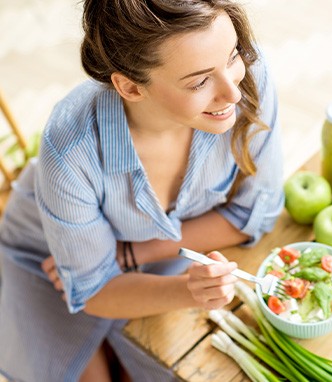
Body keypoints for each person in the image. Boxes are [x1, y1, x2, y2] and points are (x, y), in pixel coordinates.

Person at [0, 0, 283, 380]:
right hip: (45, 258)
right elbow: (96, 290)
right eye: (200, 81)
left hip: (152, 253)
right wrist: (189, 290)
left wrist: (132, 254)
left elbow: (256, 213)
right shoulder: (70, 149)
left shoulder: (246, 78)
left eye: (232, 55)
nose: (233, 93)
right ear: (130, 86)